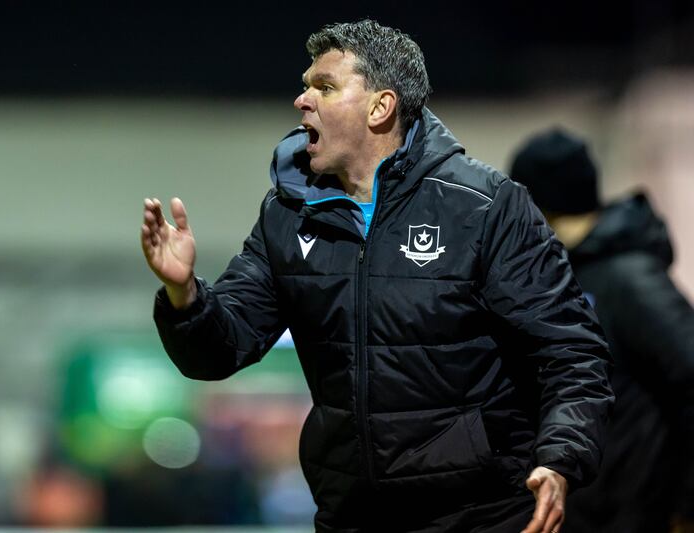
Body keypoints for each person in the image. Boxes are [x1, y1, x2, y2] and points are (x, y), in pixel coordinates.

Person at [141, 20, 613, 533]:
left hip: (482, 515)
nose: (302, 101)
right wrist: (184, 293)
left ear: (380, 107)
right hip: (352, 517)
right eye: (305, 86)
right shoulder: (287, 215)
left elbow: (571, 351)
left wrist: (561, 459)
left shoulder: (485, 207)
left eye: (324, 86)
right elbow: (219, 350)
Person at [509, 127, 694, 533]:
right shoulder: (566, 271)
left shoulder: (629, 279)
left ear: (538, 204)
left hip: (637, 513)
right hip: (594, 510)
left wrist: (686, 506)